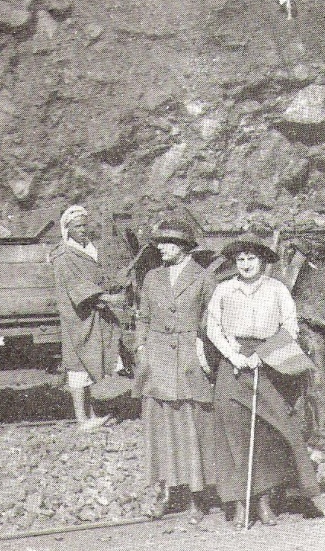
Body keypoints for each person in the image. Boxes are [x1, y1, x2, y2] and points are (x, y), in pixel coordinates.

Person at [207, 238, 319, 528]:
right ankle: (241, 506)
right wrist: (233, 355)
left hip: (268, 365)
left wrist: (264, 355)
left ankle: (265, 503)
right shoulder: (224, 289)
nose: (245, 265)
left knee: (267, 436)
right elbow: (213, 329)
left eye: (251, 259)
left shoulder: (276, 289)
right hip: (232, 368)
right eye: (241, 260)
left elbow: (290, 327)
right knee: (234, 436)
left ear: (262, 261)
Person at [134, 221, 217, 521]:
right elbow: (142, 317)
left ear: (183, 246)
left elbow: (212, 318)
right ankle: (163, 492)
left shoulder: (204, 278)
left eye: (167, 243)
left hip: (188, 360)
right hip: (157, 362)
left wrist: (201, 346)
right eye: (159, 243)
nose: (160, 247)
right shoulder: (152, 277)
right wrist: (141, 348)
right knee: (160, 430)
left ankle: (198, 497)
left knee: (191, 428)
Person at [51, 205, 125, 431]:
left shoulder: (87, 250)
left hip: (92, 314)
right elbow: (77, 287)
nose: (83, 230)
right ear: (67, 230)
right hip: (79, 317)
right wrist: (110, 299)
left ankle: (91, 414)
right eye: (77, 226)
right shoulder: (65, 256)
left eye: (85, 225)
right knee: (78, 364)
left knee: (88, 364)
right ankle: (82, 420)